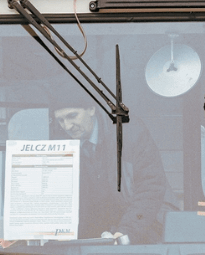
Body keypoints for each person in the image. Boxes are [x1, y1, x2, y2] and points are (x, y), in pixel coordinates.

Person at [51, 89, 172, 244]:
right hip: (88, 236)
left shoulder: (129, 133)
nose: (67, 126)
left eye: (72, 116)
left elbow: (151, 186)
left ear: (91, 109)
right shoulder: (59, 144)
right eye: (60, 120)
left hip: (139, 228)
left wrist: (126, 232)